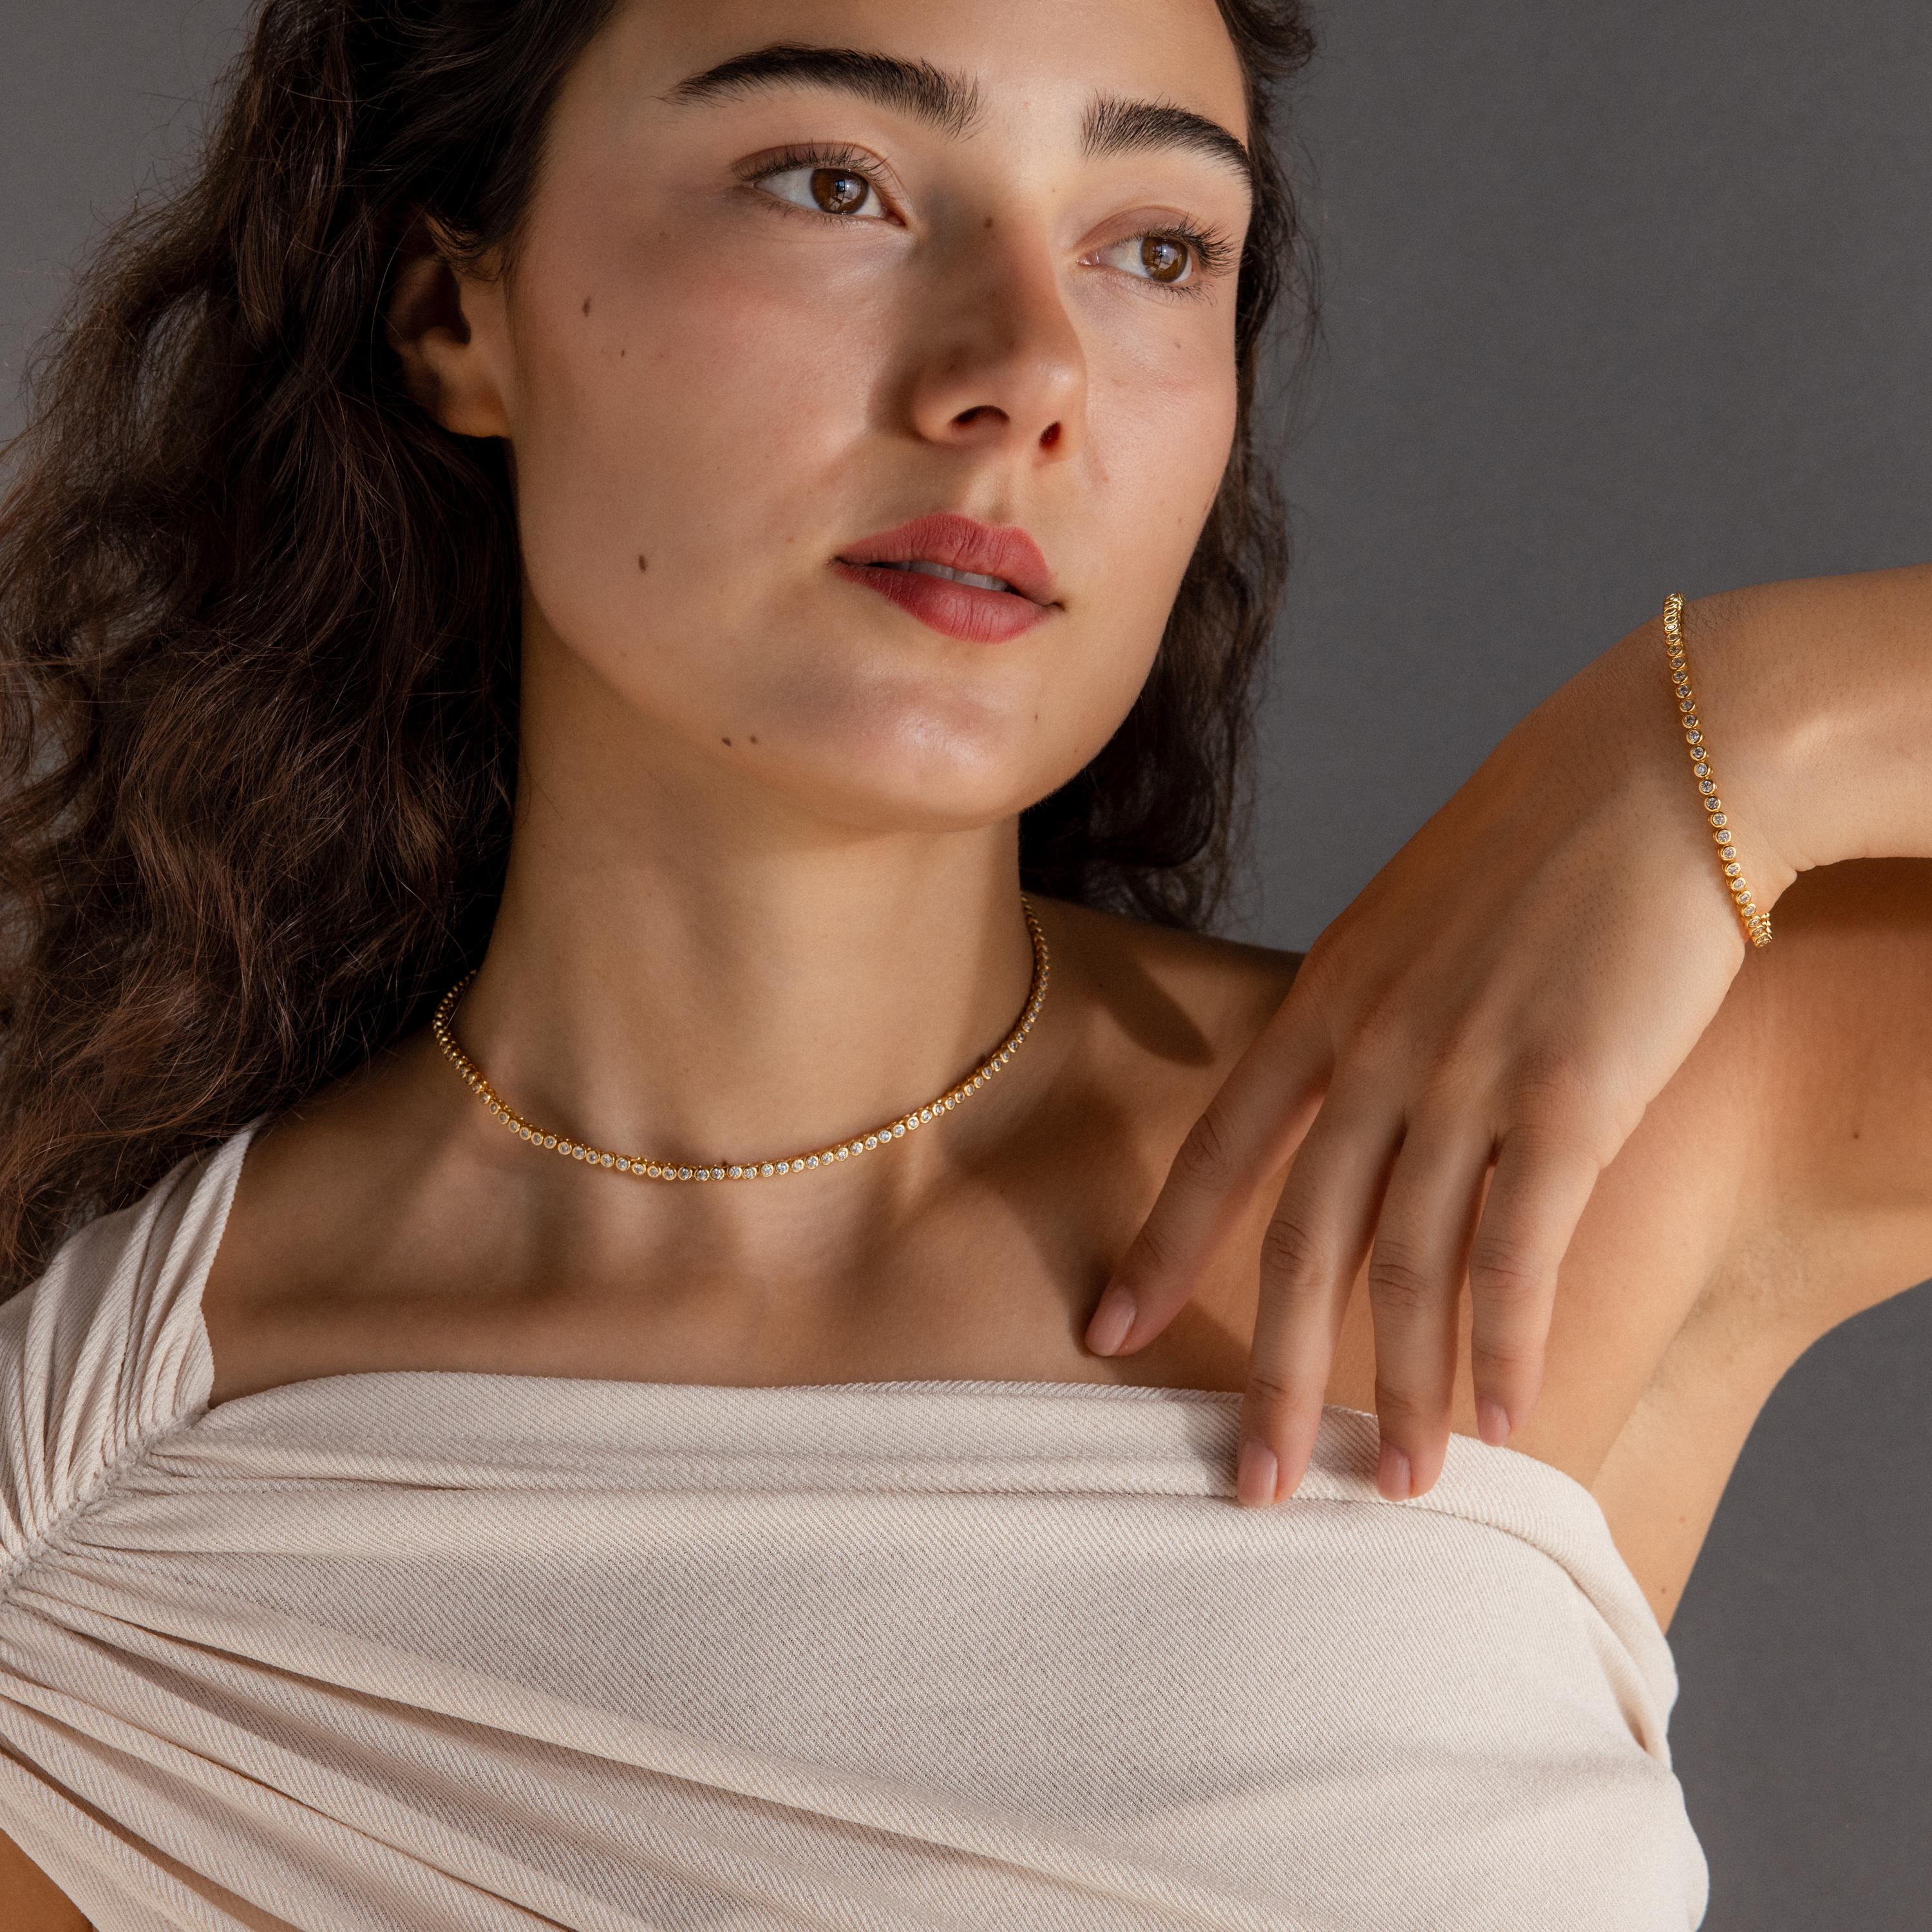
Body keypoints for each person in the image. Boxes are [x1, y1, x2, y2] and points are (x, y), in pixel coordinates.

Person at [1, 1, 1927, 1926]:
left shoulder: (1532, 1151)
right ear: (453, 309)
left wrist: (1734, 734)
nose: (1025, 368)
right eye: (834, 182)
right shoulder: (103, 1562)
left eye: (1156, 246)